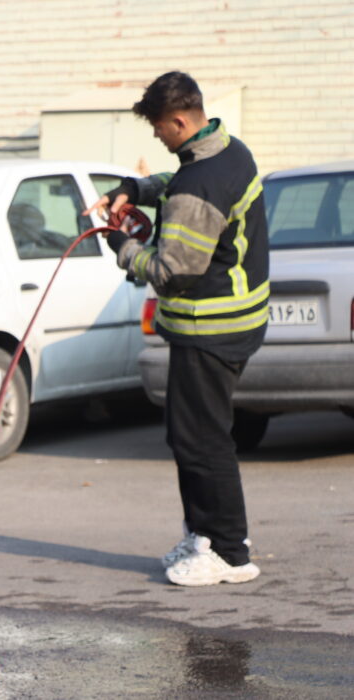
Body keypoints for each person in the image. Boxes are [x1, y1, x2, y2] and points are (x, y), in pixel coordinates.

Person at [84, 72, 269, 587]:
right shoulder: (228, 151)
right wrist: (134, 189)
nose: (158, 139)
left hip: (210, 328)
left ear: (181, 121)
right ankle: (205, 536)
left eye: (161, 130)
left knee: (203, 440)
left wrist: (119, 245)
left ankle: (230, 552)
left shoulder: (200, 184)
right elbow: (178, 185)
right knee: (190, 435)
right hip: (230, 322)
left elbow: (172, 273)